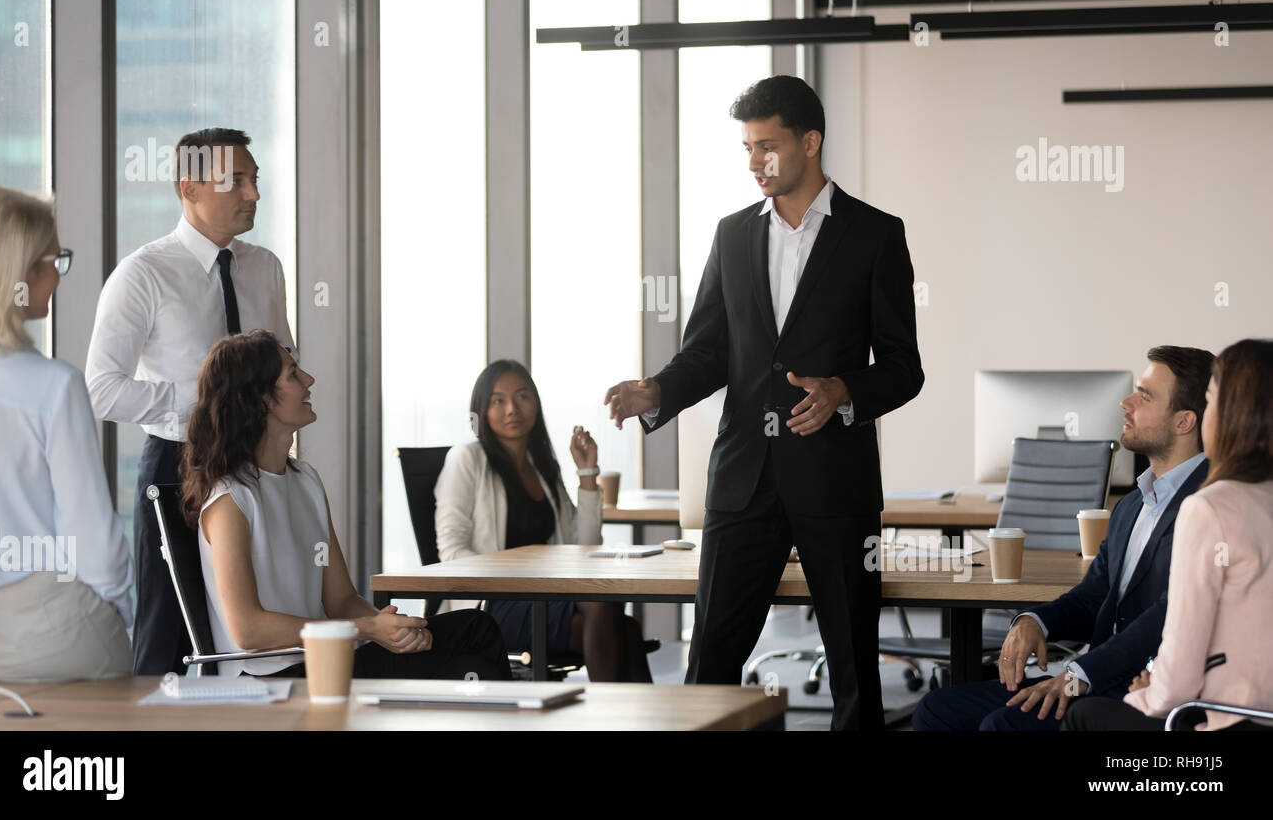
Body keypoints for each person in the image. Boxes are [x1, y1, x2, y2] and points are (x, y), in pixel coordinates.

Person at [604, 75, 924, 729]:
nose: (754, 162)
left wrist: (843, 392)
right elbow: (709, 352)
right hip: (743, 479)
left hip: (836, 480)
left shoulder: (874, 236)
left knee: (855, 672)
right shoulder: (732, 236)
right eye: (747, 148)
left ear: (810, 142)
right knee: (710, 666)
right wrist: (660, 388)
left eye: (767, 146)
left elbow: (903, 369)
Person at [913, 346, 1214, 731]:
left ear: (1184, 422)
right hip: (1096, 674)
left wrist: (1078, 675)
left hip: (1146, 686)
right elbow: (1094, 596)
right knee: (935, 709)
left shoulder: (1207, 506)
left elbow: (1167, 618)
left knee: (1003, 725)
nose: (1126, 402)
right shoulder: (1133, 505)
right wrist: (1035, 621)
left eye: (1145, 395)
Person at [180, 330, 510, 680]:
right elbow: (248, 629)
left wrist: (391, 628)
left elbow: (341, 600)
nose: (309, 380)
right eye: (293, 374)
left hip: (322, 660)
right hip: (270, 678)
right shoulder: (231, 499)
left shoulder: (305, 481)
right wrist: (366, 630)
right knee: (475, 631)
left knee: (469, 650)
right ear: (259, 399)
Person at [86, 127, 295, 675]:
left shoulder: (265, 268)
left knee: (256, 630)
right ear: (190, 189)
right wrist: (206, 401)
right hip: (180, 471)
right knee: (171, 636)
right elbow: (100, 389)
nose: (253, 194)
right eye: (237, 181)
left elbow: (282, 368)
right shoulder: (143, 274)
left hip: (259, 471)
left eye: (254, 180)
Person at [1064, 339, 1273, 732]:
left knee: (1081, 717)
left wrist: (1149, 693)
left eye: (1212, 399)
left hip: (1226, 719)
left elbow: (1180, 672)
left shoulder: (1209, 508)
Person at [0, 185, 134, 680]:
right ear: (17, 271)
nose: (57, 276)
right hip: (54, 633)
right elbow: (98, 550)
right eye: (53, 259)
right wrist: (122, 616)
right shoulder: (52, 386)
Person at [435, 360, 652, 681]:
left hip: (544, 595)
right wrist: (522, 574)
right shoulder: (467, 459)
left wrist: (587, 473)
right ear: (481, 410)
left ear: (535, 404)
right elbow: (452, 553)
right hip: (489, 605)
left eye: (522, 397)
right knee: (612, 619)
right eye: (498, 400)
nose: (512, 409)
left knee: (624, 625)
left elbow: (585, 544)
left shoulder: (540, 465)